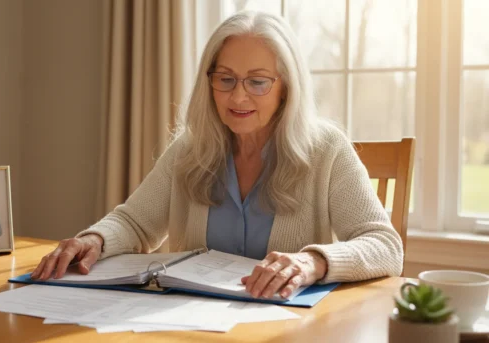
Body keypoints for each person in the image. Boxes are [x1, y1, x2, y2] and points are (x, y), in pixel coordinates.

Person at [31, 11, 404, 299]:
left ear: (286, 87)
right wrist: (94, 240)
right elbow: (136, 224)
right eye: (225, 78)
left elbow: (385, 246)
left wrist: (314, 261)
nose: (238, 97)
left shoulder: (327, 151)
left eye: (258, 81)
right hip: (188, 326)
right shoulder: (189, 150)